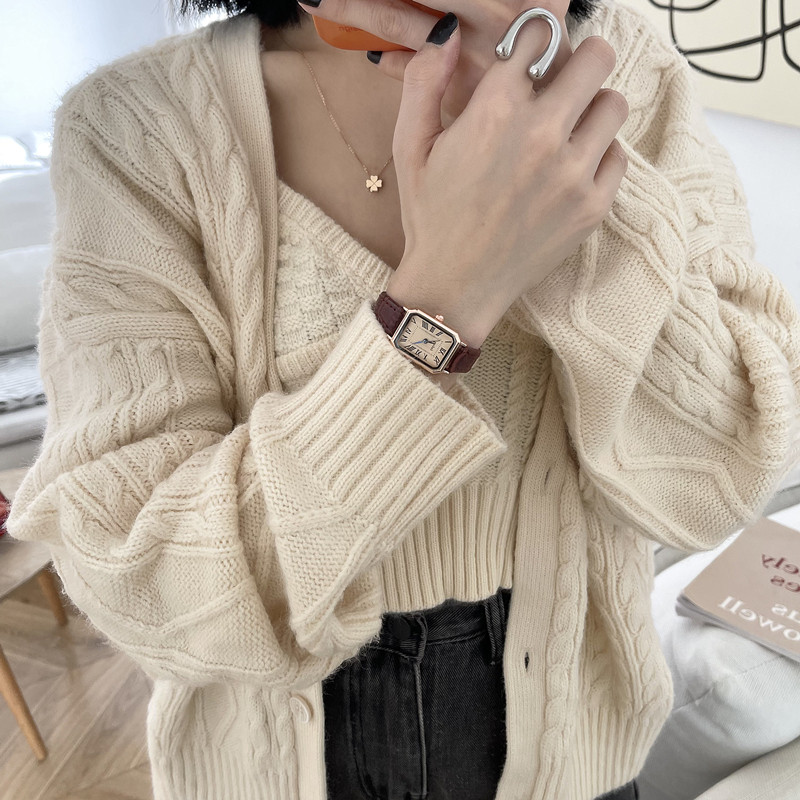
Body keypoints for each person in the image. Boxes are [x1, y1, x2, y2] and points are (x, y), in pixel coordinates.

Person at [6, 0, 800, 798]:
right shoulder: (138, 122)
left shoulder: (629, 70)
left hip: (572, 743)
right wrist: (442, 300)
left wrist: (572, 170)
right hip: (276, 749)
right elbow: (139, 575)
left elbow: (727, 470)